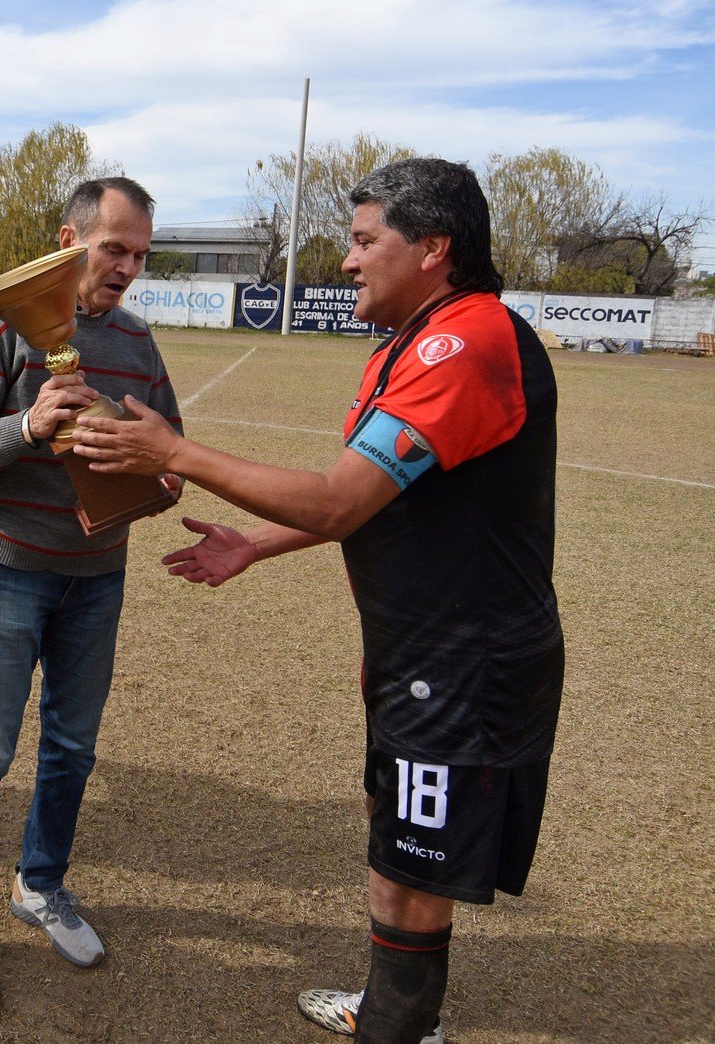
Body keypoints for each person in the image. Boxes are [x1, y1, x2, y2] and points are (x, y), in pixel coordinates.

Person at [73, 158, 563, 1043]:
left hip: (463, 667)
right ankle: (395, 1013)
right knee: (394, 852)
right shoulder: (412, 343)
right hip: (419, 657)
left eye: (364, 240)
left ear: (433, 249)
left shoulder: (466, 340)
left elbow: (339, 499)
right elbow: (374, 499)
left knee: (410, 872)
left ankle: (400, 1030)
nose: (346, 261)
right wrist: (251, 545)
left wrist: (172, 454)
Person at [0, 177, 184, 1007]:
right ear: (70, 239)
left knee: (71, 749)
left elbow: (170, 448)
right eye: (115, 249)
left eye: (139, 254)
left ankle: (38, 886)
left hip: (98, 578)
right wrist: (27, 427)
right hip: (8, 570)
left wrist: (159, 475)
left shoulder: (139, 344)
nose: (128, 269)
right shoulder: (0, 330)